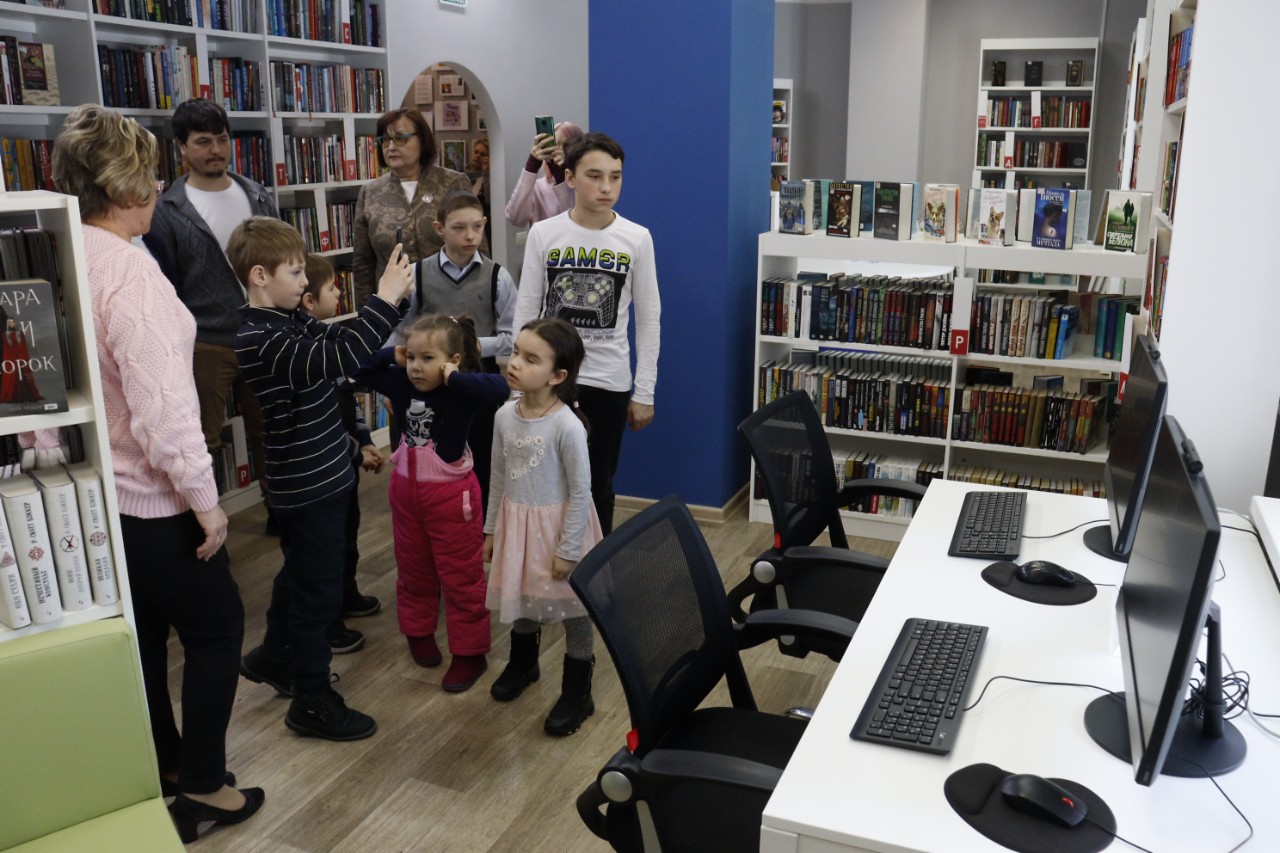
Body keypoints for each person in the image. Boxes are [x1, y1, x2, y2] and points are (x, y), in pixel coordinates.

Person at [51, 103, 262, 840]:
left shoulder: (63, 252)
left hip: (96, 495)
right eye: (150, 177)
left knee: (143, 639)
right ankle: (202, 788)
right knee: (218, 628)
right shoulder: (130, 275)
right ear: (125, 186)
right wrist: (206, 500)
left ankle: (167, 763)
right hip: (154, 499)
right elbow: (165, 410)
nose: (159, 190)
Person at [232, 216, 412, 741]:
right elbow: (336, 356)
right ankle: (311, 700)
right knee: (317, 594)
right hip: (306, 486)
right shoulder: (260, 337)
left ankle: (273, 655)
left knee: (301, 574)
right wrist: (384, 298)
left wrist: (395, 312)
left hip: (324, 476)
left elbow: (344, 343)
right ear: (260, 275)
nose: (304, 281)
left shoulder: (288, 320)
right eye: (294, 272)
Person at [513, 132, 661, 534]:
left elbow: (650, 319)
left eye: (615, 176)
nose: (606, 187)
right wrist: (517, 381)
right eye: (594, 176)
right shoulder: (544, 234)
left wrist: (644, 392)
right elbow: (527, 309)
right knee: (542, 482)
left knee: (598, 486)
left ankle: (595, 568)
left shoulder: (636, 238)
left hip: (608, 382)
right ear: (570, 178)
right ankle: (543, 564)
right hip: (549, 379)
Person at [354, 314, 509, 692]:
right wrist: (394, 353)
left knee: (461, 577)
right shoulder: (401, 381)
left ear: (452, 360)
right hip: (406, 494)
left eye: (427, 359)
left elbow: (500, 388)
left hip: (451, 500)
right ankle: (418, 631)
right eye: (412, 357)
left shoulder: (461, 392)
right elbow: (358, 368)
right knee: (413, 569)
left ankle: (470, 653)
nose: (416, 367)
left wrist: (454, 377)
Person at [143, 98, 275, 517]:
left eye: (221, 139)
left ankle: (280, 513)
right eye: (203, 141)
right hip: (205, 344)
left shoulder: (257, 194)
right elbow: (165, 283)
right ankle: (208, 524)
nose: (215, 149)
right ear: (182, 147)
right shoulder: (167, 209)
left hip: (264, 337)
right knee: (203, 441)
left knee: (270, 431)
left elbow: (283, 261)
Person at [484, 318, 603, 736]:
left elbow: (582, 491)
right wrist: (491, 530)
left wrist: (568, 550)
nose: (515, 363)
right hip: (517, 527)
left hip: (559, 531)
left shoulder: (566, 426)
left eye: (531, 359)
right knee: (523, 594)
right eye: (516, 352)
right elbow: (497, 477)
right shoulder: (504, 416)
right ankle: (523, 664)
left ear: (557, 376)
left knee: (573, 609)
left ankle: (578, 690)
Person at [395, 189, 515, 515]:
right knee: (433, 468)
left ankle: (481, 529)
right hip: (429, 392)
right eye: (459, 228)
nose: (470, 236)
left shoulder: (497, 277)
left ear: (485, 223)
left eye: (477, 227)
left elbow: (513, 336)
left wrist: (475, 345)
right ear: (439, 229)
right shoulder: (418, 274)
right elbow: (400, 331)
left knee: (481, 467)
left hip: (478, 386)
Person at [300, 253, 386, 653]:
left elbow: (348, 400)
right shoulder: (309, 354)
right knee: (328, 550)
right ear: (309, 301)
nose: (340, 293)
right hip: (328, 467)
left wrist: (365, 439)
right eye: (332, 288)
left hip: (345, 465)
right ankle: (329, 623)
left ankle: (347, 595)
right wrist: (356, 452)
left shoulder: (331, 340)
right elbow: (324, 423)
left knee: (348, 535)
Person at [352, 108, 472, 310]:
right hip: (393, 310)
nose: (391, 147)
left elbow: (476, 247)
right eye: (385, 140)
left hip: (450, 305)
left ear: (422, 140)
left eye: (400, 138)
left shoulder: (453, 183)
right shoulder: (370, 192)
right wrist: (367, 316)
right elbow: (363, 263)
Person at [504, 121, 584, 228]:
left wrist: (562, 181)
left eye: (567, 146)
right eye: (554, 145)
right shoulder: (539, 187)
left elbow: (577, 222)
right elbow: (516, 219)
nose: (559, 151)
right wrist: (531, 167)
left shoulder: (585, 185)